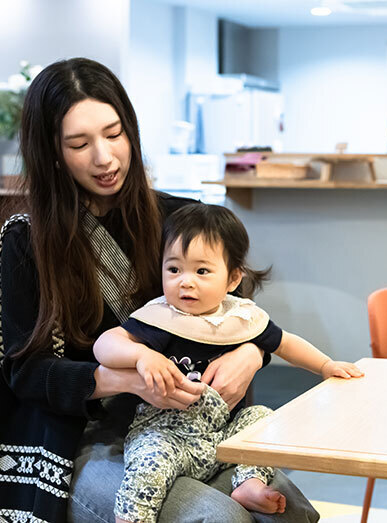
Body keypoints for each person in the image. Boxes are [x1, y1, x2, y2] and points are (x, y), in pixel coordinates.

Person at [0, 57, 320, 523]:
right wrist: (135, 380)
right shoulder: (28, 242)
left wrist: (251, 354)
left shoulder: (179, 217)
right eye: (79, 143)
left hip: (191, 424)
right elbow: (27, 374)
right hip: (81, 437)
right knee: (219, 519)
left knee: (292, 514)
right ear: (51, 152)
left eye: (114, 135)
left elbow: (237, 315)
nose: (105, 158)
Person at [94, 203, 363, 523]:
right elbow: (105, 345)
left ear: (233, 277)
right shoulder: (160, 318)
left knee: (263, 418)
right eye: (174, 269)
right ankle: (132, 518)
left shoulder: (239, 318)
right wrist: (142, 355)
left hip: (224, 437)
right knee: (148, 465)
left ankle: (248, 483)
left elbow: (286, 343)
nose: (186, 282)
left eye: (202, 271)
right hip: (164, 435)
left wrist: (324, 365)